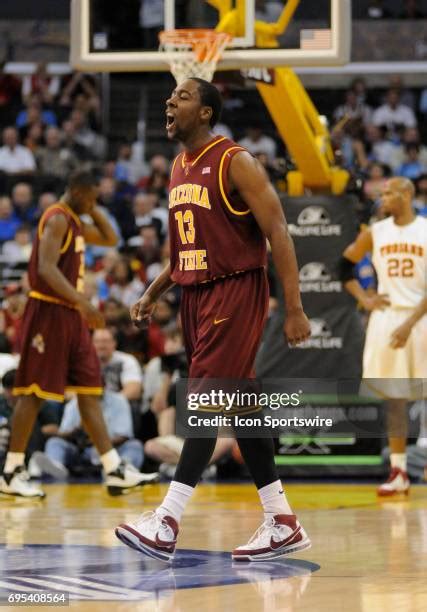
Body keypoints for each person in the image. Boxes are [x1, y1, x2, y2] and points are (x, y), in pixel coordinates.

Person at [116, 78, 311, 561]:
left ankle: (167, 519)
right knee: (240, 405)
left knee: (205, 398)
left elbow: (278, 230)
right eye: (171, 96)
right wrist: (153, 290)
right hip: (196, 296)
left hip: (235, 290)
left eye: (182, 96)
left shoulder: (234, 160)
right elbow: (186, 250)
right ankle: (282, 520)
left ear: (205, 113)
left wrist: (294, 306)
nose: (170, 100)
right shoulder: (180, 167)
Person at [0, 170, 156, 498]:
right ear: (76, 190)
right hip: (49, 312)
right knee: (33, 391)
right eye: (90, 195)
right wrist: (83, 301)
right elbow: (45, 268)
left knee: (88, 389)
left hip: (70, 316)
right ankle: (12, 469)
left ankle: (114, 468)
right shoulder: (56, 218)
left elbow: (110, 237)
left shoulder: (74, 219)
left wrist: (91, 204)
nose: (94, 202)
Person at [339, 177, 427, 496]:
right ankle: (399, 471)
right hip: (387, 317)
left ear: (407, 194)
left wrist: (410, 323)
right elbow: (343, 267)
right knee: (395, 400)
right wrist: (365, 299)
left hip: (421, 316)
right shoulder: (375, 232)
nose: (383, 198)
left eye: (389, 192)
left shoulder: (425, 229)